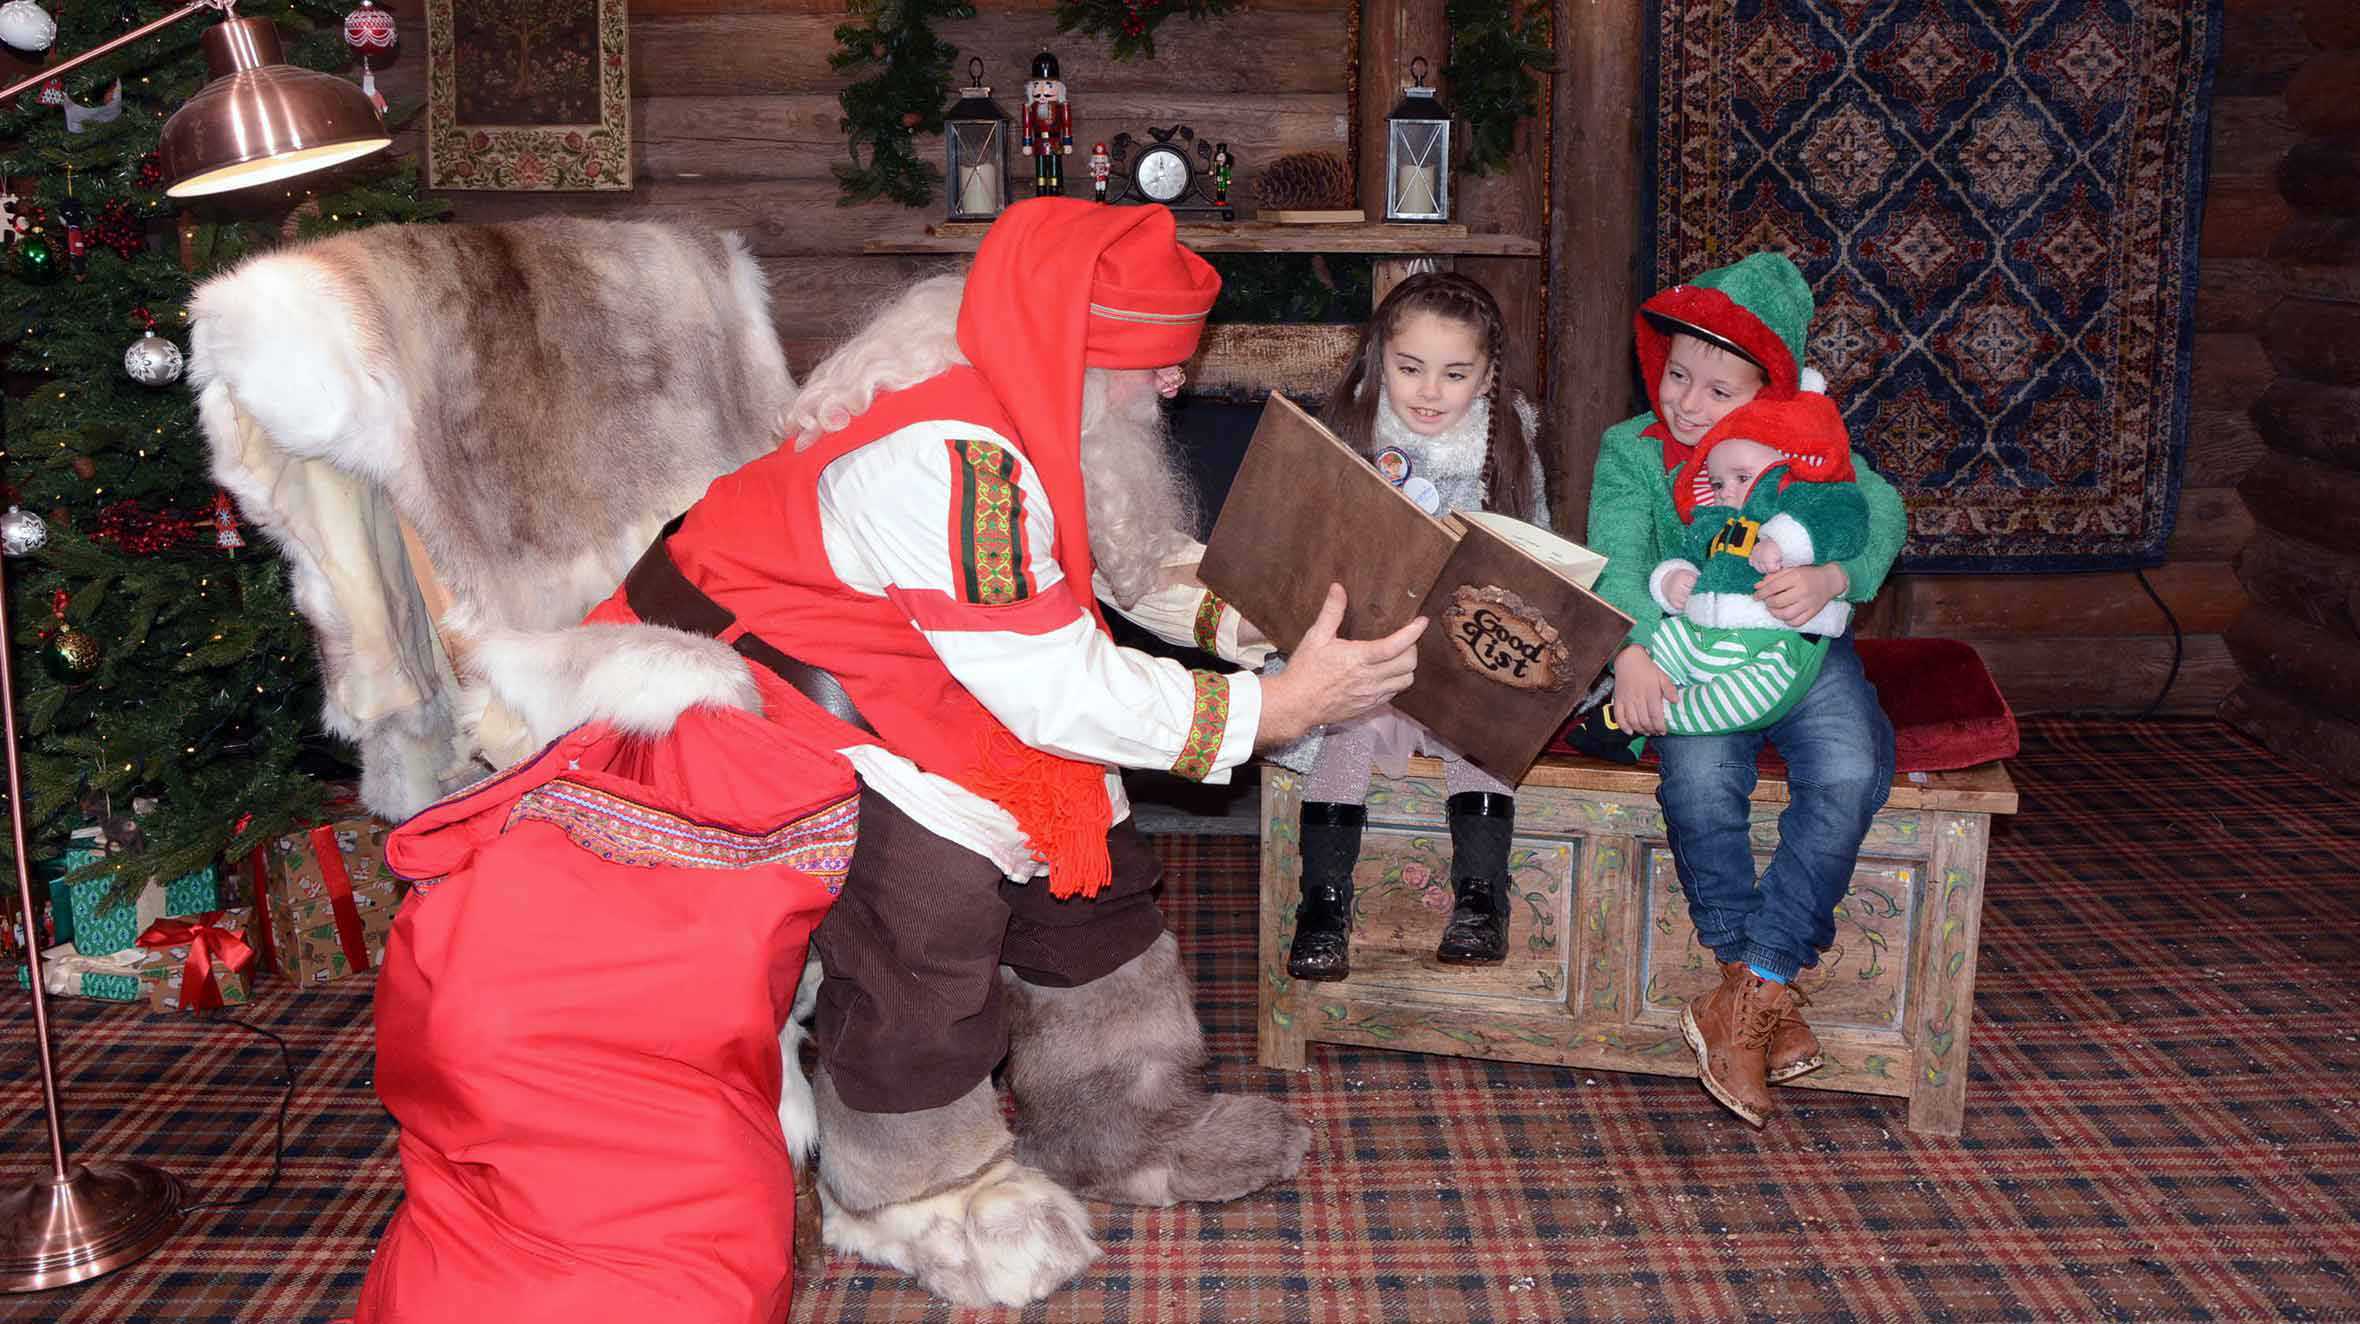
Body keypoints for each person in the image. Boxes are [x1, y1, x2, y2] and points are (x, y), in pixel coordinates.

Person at [559, 199, 1423, 1307]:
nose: (1173, 387)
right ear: (1071, 348)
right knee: (932, 890)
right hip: (750, 687)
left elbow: (1116, 550)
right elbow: (1055, 685)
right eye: (1150, 365)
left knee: (1092, 844)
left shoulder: (1024, 376)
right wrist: (1273, 708)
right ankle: (906, 1188)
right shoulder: (947, 458)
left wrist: (1261, 625)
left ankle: (1117, 1120)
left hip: (918, 663)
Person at [1584, 251, 1905, 1130]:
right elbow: (1616, 553)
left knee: (1849, 765)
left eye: (1716, 390)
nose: (1687, 402)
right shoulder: (1633, 449)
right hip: (1692, 652)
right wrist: (1635, 653)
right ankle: (1756, 988)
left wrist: (1836, 576)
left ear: (1770, 394)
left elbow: (1884, 512)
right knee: (1696, 778)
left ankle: (1751, 989)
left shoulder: (1807, 443)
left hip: (1799, 650)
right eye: (1677, 375)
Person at [1277, 271, 1550, 981]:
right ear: (1379, 361)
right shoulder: (1353, 431)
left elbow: (1539, 554)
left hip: (1461, 656)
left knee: (1480, 733)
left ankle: (1482, 901)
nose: (1430, 392)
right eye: (1410, 369)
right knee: (1347, 729)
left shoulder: (1506, 443)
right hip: (1370, 648)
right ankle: (1324, 906)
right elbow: (1307, 550)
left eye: (1456, 374)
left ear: (1488, 377)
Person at [1569, 390, 1866, 762]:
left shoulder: (1803, 495)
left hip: (1773, 641)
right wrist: (1671, 580)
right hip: (1702, 629)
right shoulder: (1715, 520)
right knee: (1662, 643)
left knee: (1745, 697)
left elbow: (1845, 515)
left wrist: (1798, 548)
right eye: (1717, 484)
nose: (1727, 494)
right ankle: (1633, 709)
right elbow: (1689, 555)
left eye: (1742, 478)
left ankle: (1655, 716)